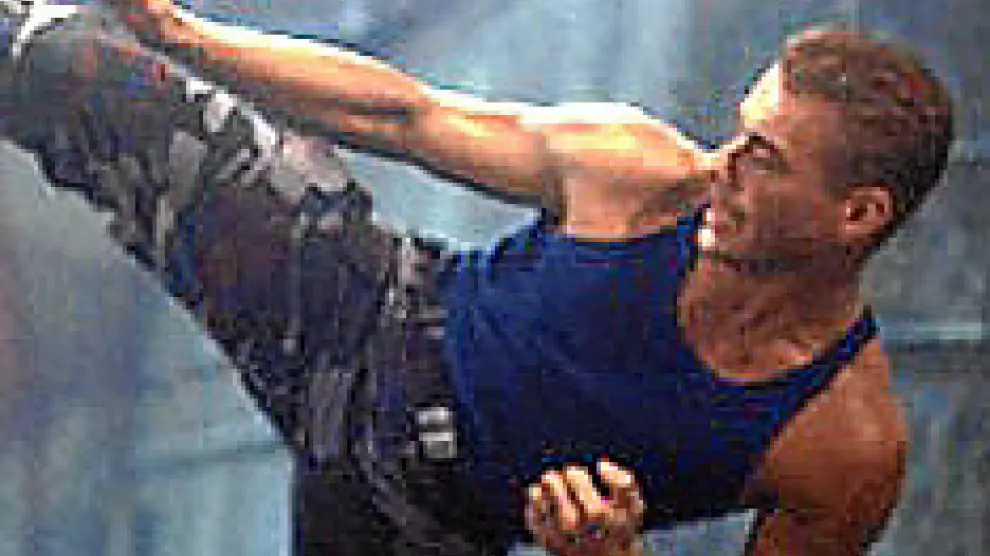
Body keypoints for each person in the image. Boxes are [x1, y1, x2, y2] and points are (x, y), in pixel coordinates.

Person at [0, 1, 954, 555]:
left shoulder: (843, 449)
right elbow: (405, 117)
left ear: (857, 214)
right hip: (355, 310)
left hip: (418, 532)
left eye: (765, 158)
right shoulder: (642, 171)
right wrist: (179, 33)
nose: (725, 164)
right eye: (738, 131)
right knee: (69, 64)